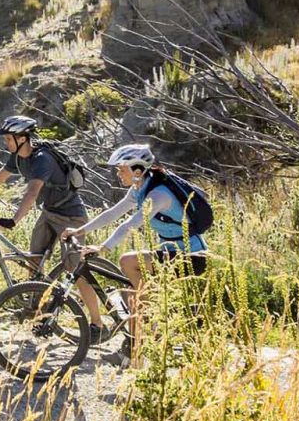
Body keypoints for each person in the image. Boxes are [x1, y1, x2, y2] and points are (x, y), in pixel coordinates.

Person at [66, 144, 210, 362]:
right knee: (131, 295)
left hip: (191, 256)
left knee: (128, 261)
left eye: (121, 169)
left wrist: (103, 248)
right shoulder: (140, 189)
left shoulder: (158, 194)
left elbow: (130, 224)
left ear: (137, 171)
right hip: (169, 252)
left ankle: (146, 327)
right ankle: (136, 347)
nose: (117, 173)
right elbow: (114, 213)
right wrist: (80, 230)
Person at [0, 115, 87, 274]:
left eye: (8, 139)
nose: (5, 143)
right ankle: (36, 295)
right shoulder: (18, 157)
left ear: (21, 139)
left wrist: (14, 221)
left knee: (75, 270)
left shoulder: (42, 159)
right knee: (34, 260)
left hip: (71, 216)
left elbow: (32, 192)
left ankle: (90, 299)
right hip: (49, 213)